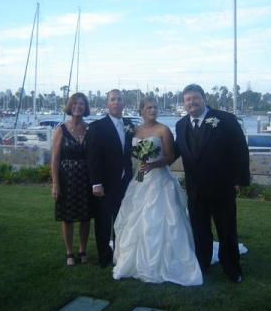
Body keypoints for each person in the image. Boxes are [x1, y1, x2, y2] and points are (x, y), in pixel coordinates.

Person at [113, 97, 203, 285]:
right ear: (141, 111)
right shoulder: (135, 131)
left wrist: (152, 164)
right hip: (140, 178)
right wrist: (141, 164)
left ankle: (164, 261)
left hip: (159, 178)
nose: (153, 110)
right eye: (149, 107)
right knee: (133, 214)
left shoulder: (164, 130)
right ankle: (132, 259)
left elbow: (170, 157)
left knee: (158, 218)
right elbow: (132, 156)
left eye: (155, 107)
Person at [175, 84, 250, 283]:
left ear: (204, 98)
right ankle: (202, 265)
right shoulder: (181, 125)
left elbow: (240, 150)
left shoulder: (225, 120)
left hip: (222, 187)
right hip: (195, 190)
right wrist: (150, 160)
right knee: (200, 232)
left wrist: (239, 179)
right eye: (187, 99)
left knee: (227, 231)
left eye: (195, 98)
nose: (191, 102)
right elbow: (176, 150)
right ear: (184, 103)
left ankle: (232, 269)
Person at [85, 89, 134, 267]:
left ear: (123, 103)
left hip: (124, 182)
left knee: (121, 220)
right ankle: (104, 256)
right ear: (107, 104)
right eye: (112, 99)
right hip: (104, 183)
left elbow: (133, 153)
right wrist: (96, 183)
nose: (116, 102)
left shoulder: (129, 125)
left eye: (119, 99)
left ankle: (119, 253)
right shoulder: (97, 126)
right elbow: (92, 157)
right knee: (104, 221)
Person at [51, 92, 92, 266]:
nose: (78, 106)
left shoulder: (90, 129)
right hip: (66, 177)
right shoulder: (61, 129)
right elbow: (55, 158)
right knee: (67, 217)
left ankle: (82, 250)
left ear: (85, 107)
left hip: (85, 177)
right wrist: (55, 184)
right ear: (70, 106)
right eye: (75, 103)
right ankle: (69, 252)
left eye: (82, 104)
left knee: (85, 216)